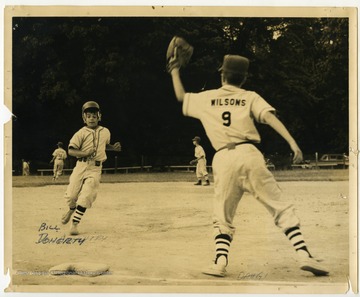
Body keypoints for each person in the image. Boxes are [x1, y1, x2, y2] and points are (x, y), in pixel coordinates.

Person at [169, 54, 329, 277]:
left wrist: (175, 69)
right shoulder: (250, 96)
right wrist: (293, 144)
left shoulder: (208, 97)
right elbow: (271, 118)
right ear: (243, 78)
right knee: (278, 205)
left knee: (222, 214)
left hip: (223, 157)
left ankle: (220, 261)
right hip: (249, 154)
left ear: (222, 75)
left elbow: (180, 96)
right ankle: (303, 254)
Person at [61, 101, 121, 235]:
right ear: (84, 118)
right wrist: (84, 153)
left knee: (87, 195)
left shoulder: (105, 132)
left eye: (94, 115)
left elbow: (104, 146)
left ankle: (75, 224)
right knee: (71, 196)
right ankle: (71, 209)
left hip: (95, 168)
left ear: (99, 116)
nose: (92, 118)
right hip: (81, 166)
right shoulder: (80, 133)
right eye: (88, 116)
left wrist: (113, 148)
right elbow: (71, 151)